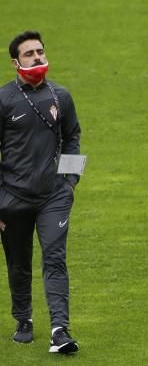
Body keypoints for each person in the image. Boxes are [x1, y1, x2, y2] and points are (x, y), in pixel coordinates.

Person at [0, 31, 82, 354]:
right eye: (29, 53)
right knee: (18, 262)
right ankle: (23, 318)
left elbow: (73, 136)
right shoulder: (4, 99)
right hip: (12, 199)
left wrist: (70, 181)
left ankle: (60, 330)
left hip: (53, 197)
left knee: (55, 258)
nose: (36, 57)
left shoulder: (61, 96)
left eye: (40, 51)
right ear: (15, 61)